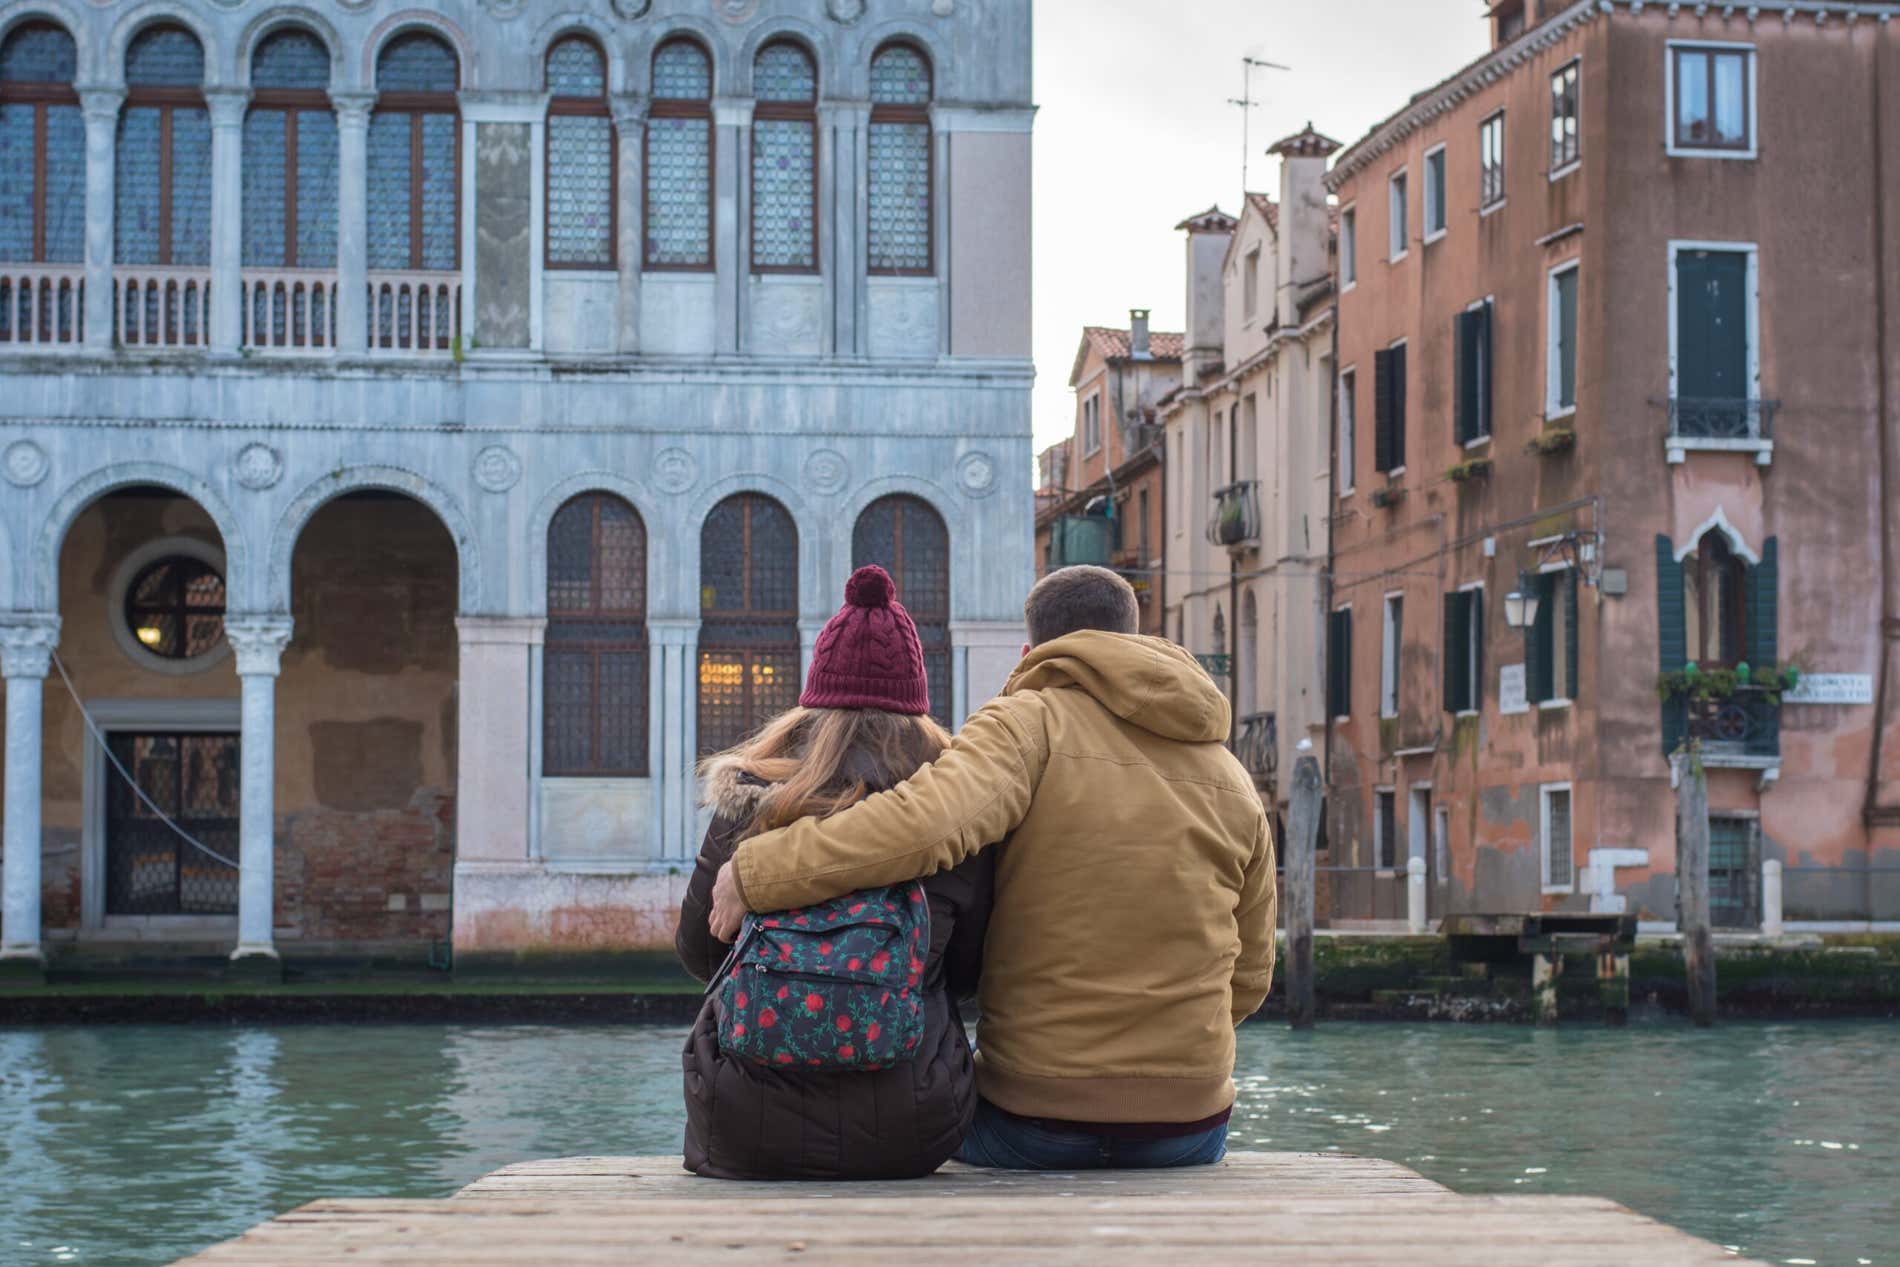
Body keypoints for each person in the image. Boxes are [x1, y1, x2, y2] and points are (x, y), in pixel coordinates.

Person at [708, 564, 1275, 1171]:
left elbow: (919, 826)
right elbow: (1251, 976)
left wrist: (757, 872)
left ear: (1034, 652)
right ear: (1133, 640)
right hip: (1191, 1129)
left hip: (1035, 1121)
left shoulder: (1027, 722)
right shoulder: (1230, 776)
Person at [674, 564, 993, 1180]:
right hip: (916, 1123)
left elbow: (697, 949)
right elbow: (971, 975)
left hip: (739, 1120)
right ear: (916, 704)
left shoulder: (747, 799)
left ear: (814, 696)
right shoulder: (953, 819)